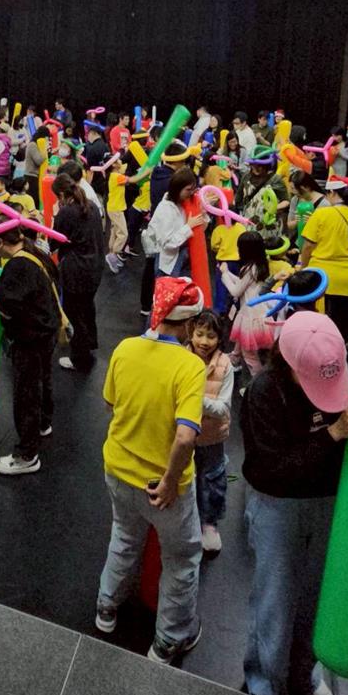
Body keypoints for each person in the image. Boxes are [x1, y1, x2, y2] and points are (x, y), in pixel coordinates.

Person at [240, 310, 348, 695]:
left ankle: (304, 675)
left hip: (328, 501)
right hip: (278, 504)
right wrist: (331, 435)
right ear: (289, 364)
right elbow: (270, 470)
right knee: (274, 601)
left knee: (316, 596)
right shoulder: (264, 393)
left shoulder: (344, 372)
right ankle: (263, 685)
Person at [96, 277, 205, 664]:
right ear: (189, 325)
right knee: (182, 558)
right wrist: (171, 480)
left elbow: (111, 405)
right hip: (162, 486)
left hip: (117, 468)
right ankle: (168, 641)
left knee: (124, 536)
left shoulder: (125, 348)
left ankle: (106, 607)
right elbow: (186, 437)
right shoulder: (190, 367)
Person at [0, 223, 60, 475]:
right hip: (47, 331)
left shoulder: (17, 266)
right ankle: (43, 424)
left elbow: (8, 310)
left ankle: (27, 455)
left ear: (0, 243)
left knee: (26, 393)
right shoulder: (35, 251)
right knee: (44, 380)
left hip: (30, 338)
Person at [187, 309, 234, 555]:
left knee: (212, 478)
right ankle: (187, 519)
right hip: (183, 432)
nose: (204, 341)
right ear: (191, 333)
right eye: (199, 334)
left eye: (211, 336)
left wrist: (194, 399)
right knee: (184, 476)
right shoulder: (180, 358)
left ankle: (209, 523)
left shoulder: (225, 366)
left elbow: (223, 408)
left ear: (220, 338)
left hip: (212, 436)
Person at [299, 175, 348, 340]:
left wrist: (303, 268)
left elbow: (308, 246)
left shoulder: (321, 214)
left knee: (321, 325)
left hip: (321, 279)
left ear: (333, 193)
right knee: (343, 323)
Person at [52, 172, 104, 372]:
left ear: (61, 195)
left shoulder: (66, 212)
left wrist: (55, 216)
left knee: (75, 313)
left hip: (76, 269)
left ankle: (80, 358)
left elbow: (54, 242)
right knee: (87, 307)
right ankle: (90, 343)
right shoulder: (91, 206)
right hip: (95, 265)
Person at [220, 230, 274, 377]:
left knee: (250, 356)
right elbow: (244, 284)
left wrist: (224, 274)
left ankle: (257, 382)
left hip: (251, 315)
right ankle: (235, 357)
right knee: (244, 341)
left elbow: (236, 291)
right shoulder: (260, 265)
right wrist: (228, 274)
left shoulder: (249, 268)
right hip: (260, 312)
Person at [146, 167, 204, 279]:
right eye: (188, 190)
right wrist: (188, 227)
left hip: (180, 259)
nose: (192, 193)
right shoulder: (166, 209)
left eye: (193, 189)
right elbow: (167, 244)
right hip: (169, 265)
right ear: (177, 188)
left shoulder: (182, 203)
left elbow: (199, 227)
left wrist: (203, 209)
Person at [105, 156, 128, 273]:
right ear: (113, 165)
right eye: (118, 160)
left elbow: (124, 167)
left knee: (115, 232)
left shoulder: (113, 174)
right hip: (116, 209)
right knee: (123, 233)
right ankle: (113, 255)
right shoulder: (117, 177)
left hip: (113, 207)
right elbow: (132, 179)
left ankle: (111, 252)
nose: (120, 161)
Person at [24, 126, 49, 208]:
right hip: (31, 177)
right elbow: (38, 160)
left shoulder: (36, 145)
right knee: (34, 200)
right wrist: (45, 152)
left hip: (36, 176)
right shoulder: (32, 145)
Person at [84, 123, 108, 205]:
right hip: (105, 179)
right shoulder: (106, 146)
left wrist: (88, 184)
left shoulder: (91, 148)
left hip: (95, 181)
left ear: (93, 133)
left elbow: (90, 169)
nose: (88, 137)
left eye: (88, 134)